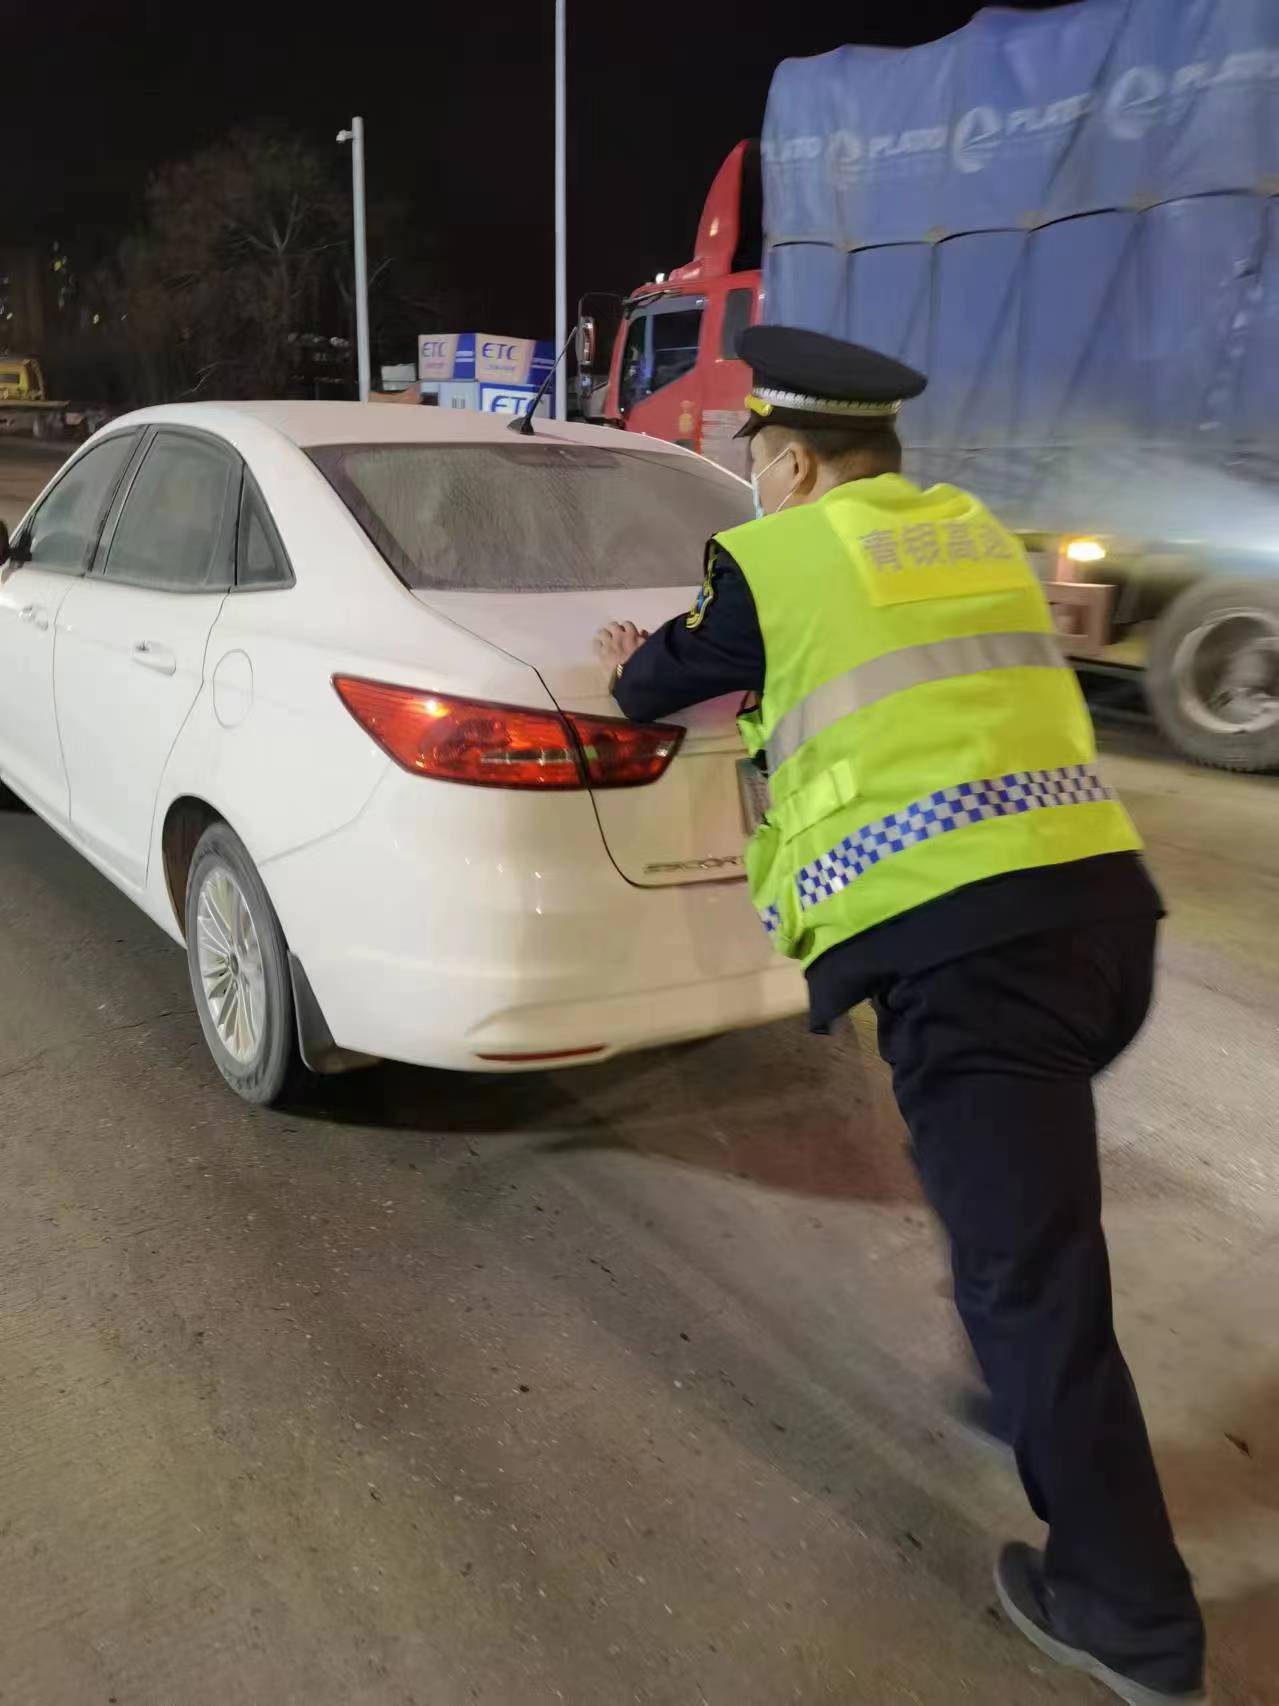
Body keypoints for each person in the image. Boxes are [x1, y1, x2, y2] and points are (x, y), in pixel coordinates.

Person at [595, 326, 1207, 1706]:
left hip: (972, 962)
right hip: (1104, 921)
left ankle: (1132, 1620)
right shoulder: (973, 533)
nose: (756, 480)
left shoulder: (778, 561)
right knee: (1017, 1237)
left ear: (800, 463)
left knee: (1034, 1285)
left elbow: (650, 683)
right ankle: (1015, 1375)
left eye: (759, 457)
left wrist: (643, 654)